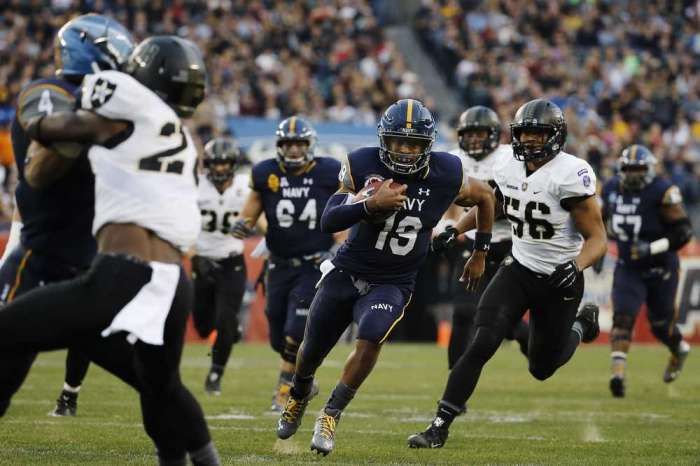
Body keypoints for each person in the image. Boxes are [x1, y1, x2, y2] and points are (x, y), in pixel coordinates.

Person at [0, 36, 220, 465]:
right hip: (174, 283)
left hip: (123, 275)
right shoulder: (180, 136)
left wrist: (38, 115)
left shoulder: (124, 97)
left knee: (7, 330)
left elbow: (56, 127)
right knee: (161, 390)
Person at [275, 98, 496, 456]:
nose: (406, 152)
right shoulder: (363, 163)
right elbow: (329, 220)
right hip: (347, 271)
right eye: (398, 143)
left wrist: (481, 251)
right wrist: (368, 206)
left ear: (428, 145)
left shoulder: (446, 172)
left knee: (373, 335)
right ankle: (300, 393)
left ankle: (331, 413)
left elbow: (487, 196)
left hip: (394, 280)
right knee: (311, 350)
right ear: (383, 141)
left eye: (413, 144)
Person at [407, 98, 607, 449]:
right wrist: (458, 229)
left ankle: (581, 325)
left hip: (560, 277)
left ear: (555, 136)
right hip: (519, 268)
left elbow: (597, 239)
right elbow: (495, 204)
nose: (529, 141)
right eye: (524, 134)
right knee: (482, 340)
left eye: (537, 134)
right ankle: (439, 425)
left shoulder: (569, 174)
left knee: (541, 368)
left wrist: (575, 266)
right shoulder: (510, 169)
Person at [0, 14, 134, 418]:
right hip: (40, 259)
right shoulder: (49, 90)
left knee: (155, 379)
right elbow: (45, 155)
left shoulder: (119, 103)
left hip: (92, 267)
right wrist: (97, 124)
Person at [232, 116, 341, 411]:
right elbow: (251, 209)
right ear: (279, 146)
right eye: (288, 144)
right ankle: (303, 380)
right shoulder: (266, 172)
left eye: (299, 144)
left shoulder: (329, 171)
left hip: (313, 264)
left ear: (310, 145)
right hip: (278, 264)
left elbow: (344, 210)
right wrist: (243, 224)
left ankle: (285, 391)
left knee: (296, 331)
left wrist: (337, 247)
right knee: (279, 337)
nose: (293, 150)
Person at [433, 105, 529, 372]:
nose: (474, 139)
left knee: (500, 314)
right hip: (472, 241)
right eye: (469, 133)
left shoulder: (511, 157)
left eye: (480, 133)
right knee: (463, 312)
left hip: (510, 241)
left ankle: (523, 335)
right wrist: (450, 225)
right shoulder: (453, 159)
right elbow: (449, 201)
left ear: (494, 134)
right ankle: (455, 375)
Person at [601, 144, 692, 398]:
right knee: (622, 318)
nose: (632, 175)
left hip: (660, 268)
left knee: (661, 326)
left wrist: (652, 248)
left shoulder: (663, 191)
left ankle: (678, 349)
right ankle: (617, 375)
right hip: (628, 267)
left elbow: (684, 232)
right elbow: (598, 220)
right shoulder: (610, 189)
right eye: (628, 169)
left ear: (649, 169)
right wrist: (597, 247)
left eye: (638, 169)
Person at [192, 136, 250, 395]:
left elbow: (257, 213)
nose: (219, 169)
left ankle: (215, 373)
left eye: (225, 164)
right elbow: (181, 222)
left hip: (231, 261)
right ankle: (229, 326)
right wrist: (194, 257)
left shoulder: (244, 186)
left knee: (225, 321)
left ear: (233, 165)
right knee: (203, 325)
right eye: (215, 164)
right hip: (202, 260)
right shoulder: (194, 186)